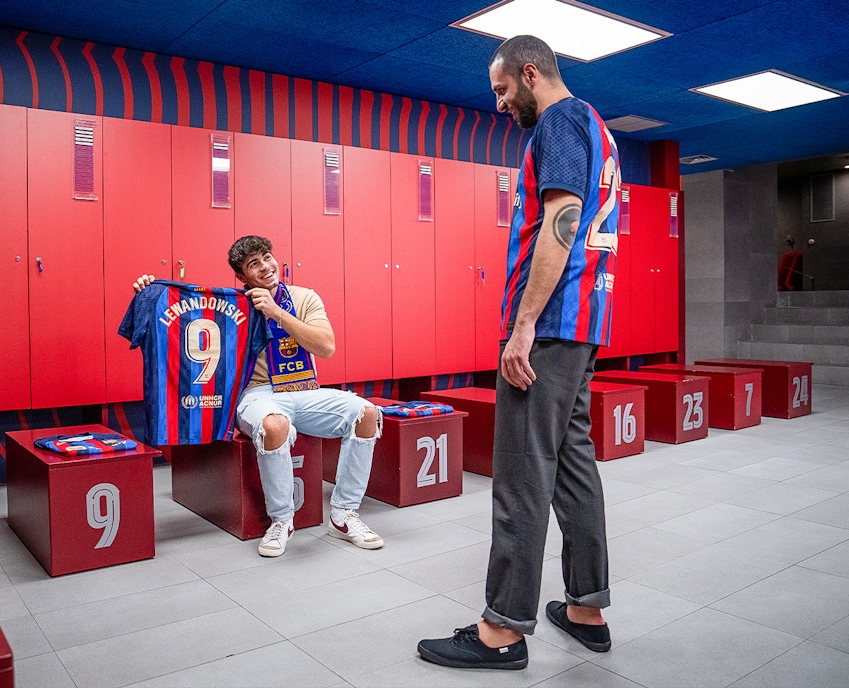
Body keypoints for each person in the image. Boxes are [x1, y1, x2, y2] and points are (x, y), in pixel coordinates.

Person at [418, 35, 619, 670]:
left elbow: (562, 219)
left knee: (522, 475)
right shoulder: (598, 127)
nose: (501, 104)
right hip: (586, 324)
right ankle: (585, 606)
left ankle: (501, 628)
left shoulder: (558, 120)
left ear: (531, 73)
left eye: (504, 90)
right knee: (572, 464)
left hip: (552, 324)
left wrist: (524, 325)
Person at [134, 235, 384, 558]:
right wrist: (151, 292)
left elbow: (327, 346)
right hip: (258, 395)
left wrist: (278, 313)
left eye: (267, 257)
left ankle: (344, 515)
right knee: (275, 426)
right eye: (254, 264)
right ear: (242, 277)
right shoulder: (234, 307)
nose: (266, 266)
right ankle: (282, 521)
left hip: (305, 389)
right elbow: (184, 310)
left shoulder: (304, 298)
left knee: (366, 414)